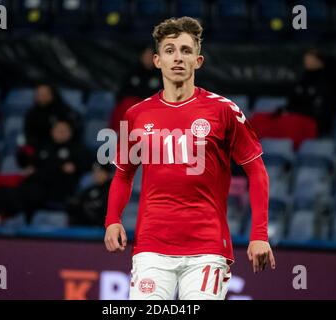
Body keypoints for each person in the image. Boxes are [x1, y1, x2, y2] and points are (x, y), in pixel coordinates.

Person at [104, 17, 275, 300]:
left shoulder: (223, 111)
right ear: (157, 61)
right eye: (170, 50)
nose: (178, 57)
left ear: (198, 60)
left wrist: (259, 234)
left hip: (207, 248)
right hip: (151, 248)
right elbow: (123, 174)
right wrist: (112, 219)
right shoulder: (136, 115)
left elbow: (257, 171)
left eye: (186, 50)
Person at [0, 120, 88, 224]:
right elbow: (33, 165)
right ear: (52, 131)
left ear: (70, 132)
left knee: (22, 194)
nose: (60, 133)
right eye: (57, 130)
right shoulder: (45, 148)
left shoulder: (76, 149)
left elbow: (79, 167)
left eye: (64, 130)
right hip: (35, 183)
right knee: (2, 190)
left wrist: (60, 168)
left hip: (55, 188)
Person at [24, 83, 83, 151]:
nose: (42, 96)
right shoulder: (31, 113)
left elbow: (74, 128)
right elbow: (28, 134)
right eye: (39, 94)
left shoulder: (63, 110)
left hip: (62, 147)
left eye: (45, 93)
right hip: (40, 148)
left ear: (52, 94)